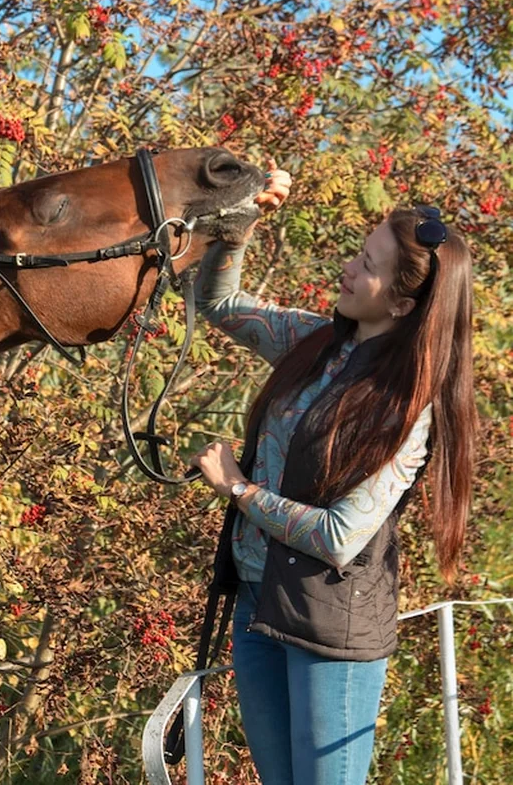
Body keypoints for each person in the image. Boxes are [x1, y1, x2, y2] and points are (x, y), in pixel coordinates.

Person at [188, 164, 476, 785]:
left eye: (368, 265)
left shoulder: (405, 406)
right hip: (257, 606)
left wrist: (238, 489)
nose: (349, 267)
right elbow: (216, 303)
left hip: (329, 631)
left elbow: (339, 537)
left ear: (402, 303)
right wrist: (239, 225)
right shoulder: (314, 339)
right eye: (359, 252)